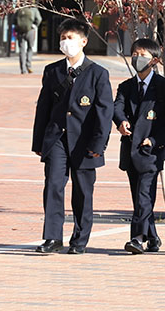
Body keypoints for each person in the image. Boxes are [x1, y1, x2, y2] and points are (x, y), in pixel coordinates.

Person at [32, 18, 113, 254]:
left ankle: (79, 239)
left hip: (84, 141)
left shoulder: (98, 74)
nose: (66, 42)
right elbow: (43, 108)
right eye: (63, 38)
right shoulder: (53, 71)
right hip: (57, 138)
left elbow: (104, 112)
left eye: (71, 38)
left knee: (82, 191)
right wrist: (39, 142)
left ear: (84, 42)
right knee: (54, 185)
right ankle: (52, 237)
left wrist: (99, 144)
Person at [113, 38, 165, 254]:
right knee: (139, 197)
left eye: (142, 54)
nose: (136, 58)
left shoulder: (164, 88)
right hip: (130, 150)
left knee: (145, 195)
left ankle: (137, 238)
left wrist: (155, 140)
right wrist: (120, 122)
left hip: (151, 152)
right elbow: (116, 108)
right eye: (134, 53)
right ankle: (153, 237)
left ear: (154, 60)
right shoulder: (126, 87)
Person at [15, 5, 42, 74]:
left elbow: (14, 20)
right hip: (30, 31)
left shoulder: (19, 9)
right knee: (30, 48)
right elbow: (39, 19)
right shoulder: (33, 9)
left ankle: (23, 69)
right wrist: (34, 25)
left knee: (21, 50)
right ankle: (29, 66)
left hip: (20, 32)